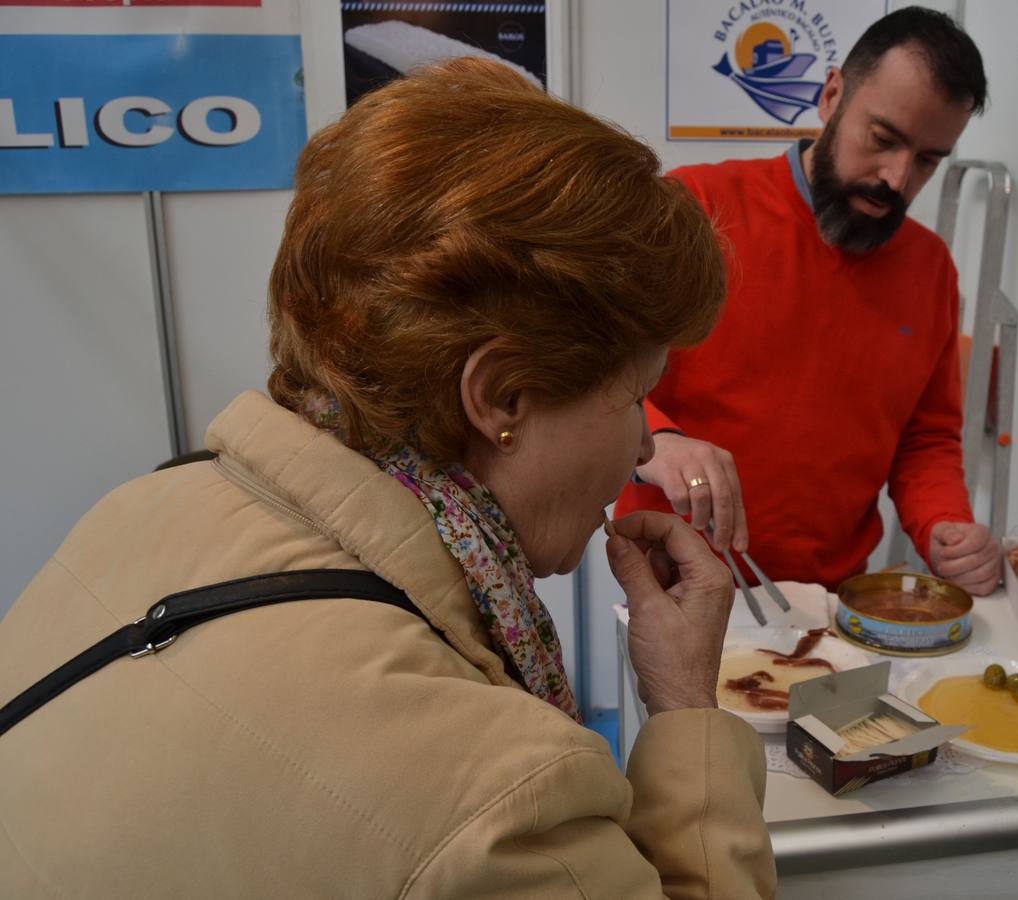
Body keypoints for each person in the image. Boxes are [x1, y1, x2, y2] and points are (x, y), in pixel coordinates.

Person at [0, 59, 775, 898]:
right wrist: (687, 705)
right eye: (637, 396)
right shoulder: (494, 797)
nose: (638, 449)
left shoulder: (145, 504)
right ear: (500, 396)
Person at [617, 8, 1001, 596]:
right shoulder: (695, 208)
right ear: (831, 95)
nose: (897, 179)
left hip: (833, 597)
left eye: (927, 160)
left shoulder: (929, 270)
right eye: (883, 139)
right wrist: (659, 441)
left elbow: (926, 438)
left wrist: (945, 524)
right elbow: (596, 372)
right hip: (674, 577)